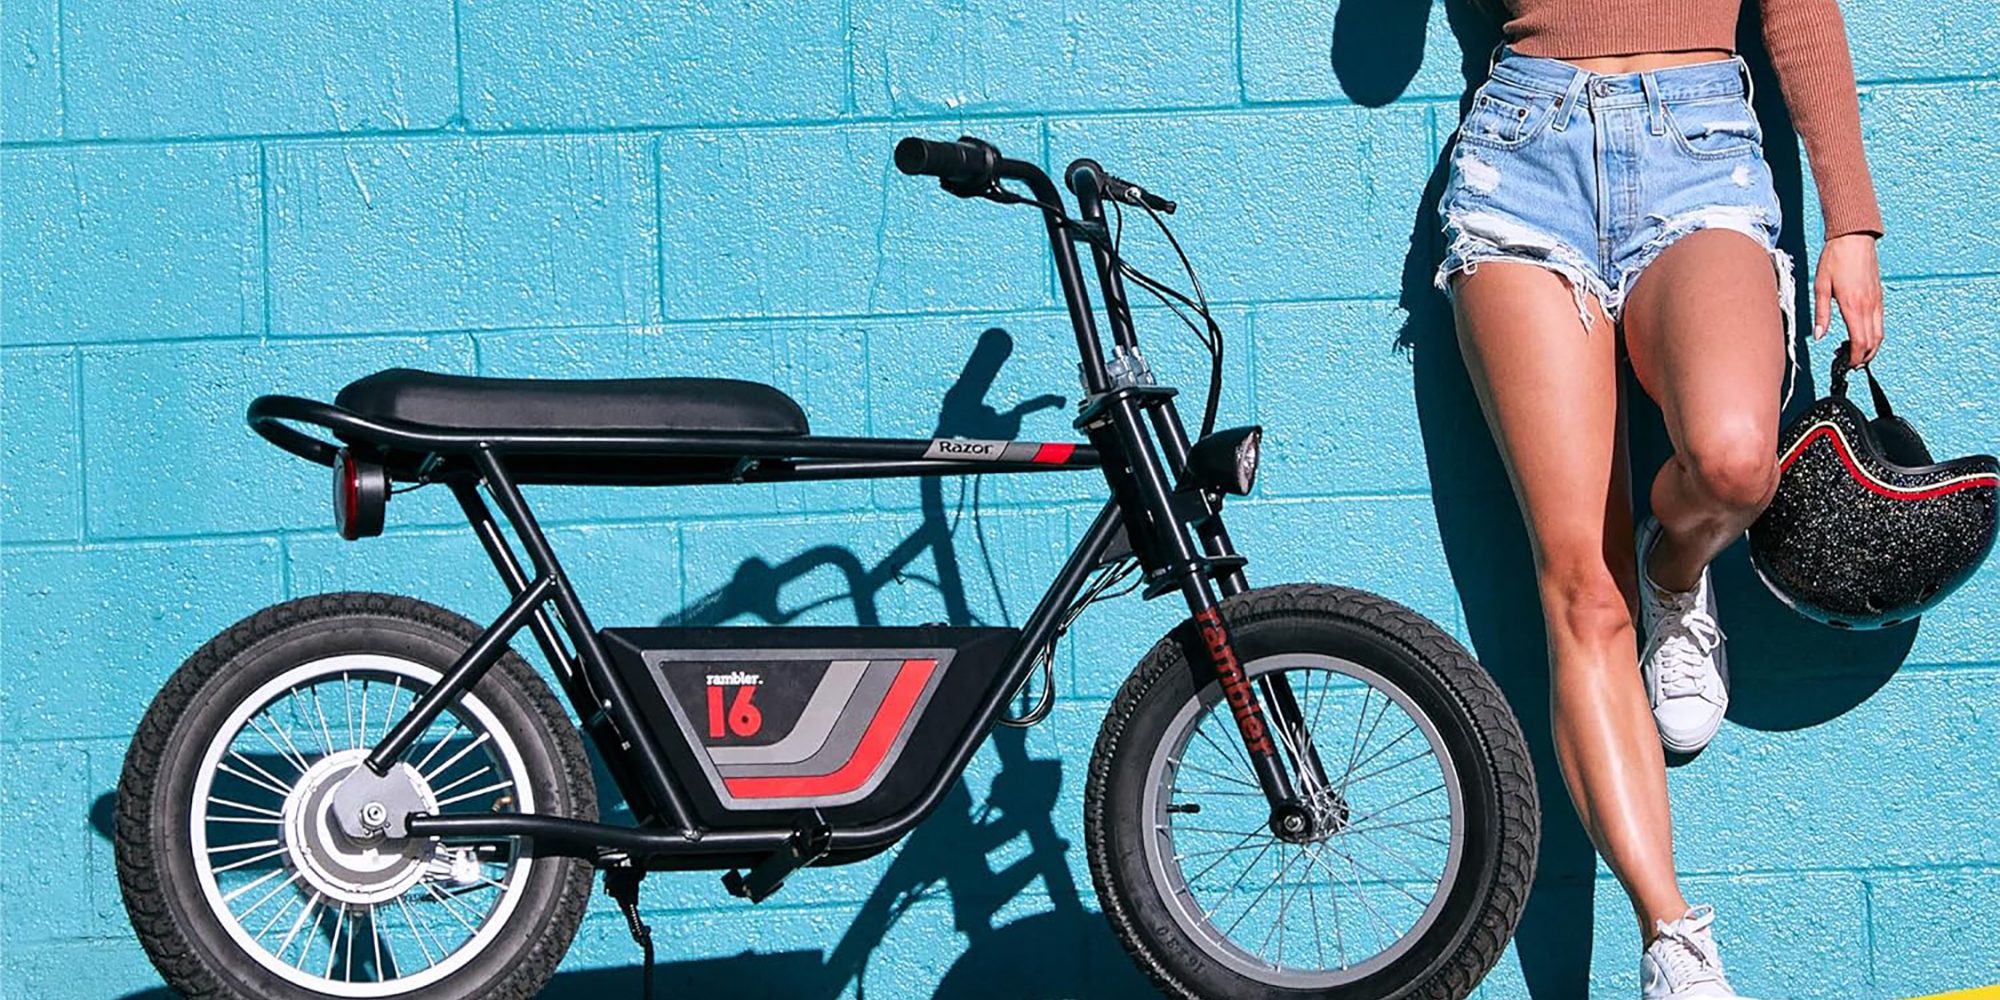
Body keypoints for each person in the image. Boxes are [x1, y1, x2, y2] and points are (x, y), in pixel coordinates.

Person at [1432, 1, 1884, 997]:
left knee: (1732, 462)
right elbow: (1366, 64)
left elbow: (1797, 13)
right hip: (1522, 155)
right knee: (1579, 594)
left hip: (1698, 146)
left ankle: (1671, 568)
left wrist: (1847, 217)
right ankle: (1671, 943)